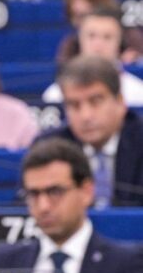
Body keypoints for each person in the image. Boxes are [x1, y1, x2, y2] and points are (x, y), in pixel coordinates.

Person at [0, 138, 142, 273]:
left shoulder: (125, 263)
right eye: (33, 194)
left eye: (55, 192)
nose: (43, 206)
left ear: (86, 191)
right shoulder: (4, 262)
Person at [39, 56, 143, 207]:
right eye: (74, 105)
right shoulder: (49, 148)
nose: (86, 116)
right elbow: (24, 208)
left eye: (96, 101)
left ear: (120, 102)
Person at [43, 9, 143, 106]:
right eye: (91, 36)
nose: (98, 44)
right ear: (79, 41)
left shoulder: (138, 93)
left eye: (107, 37)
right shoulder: (56, 95)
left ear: (120, 44)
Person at [56, 0, 143, 64]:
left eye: (90, 13)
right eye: (78, 16)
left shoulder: (132, 38)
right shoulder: (71, 45)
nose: (85, 21)